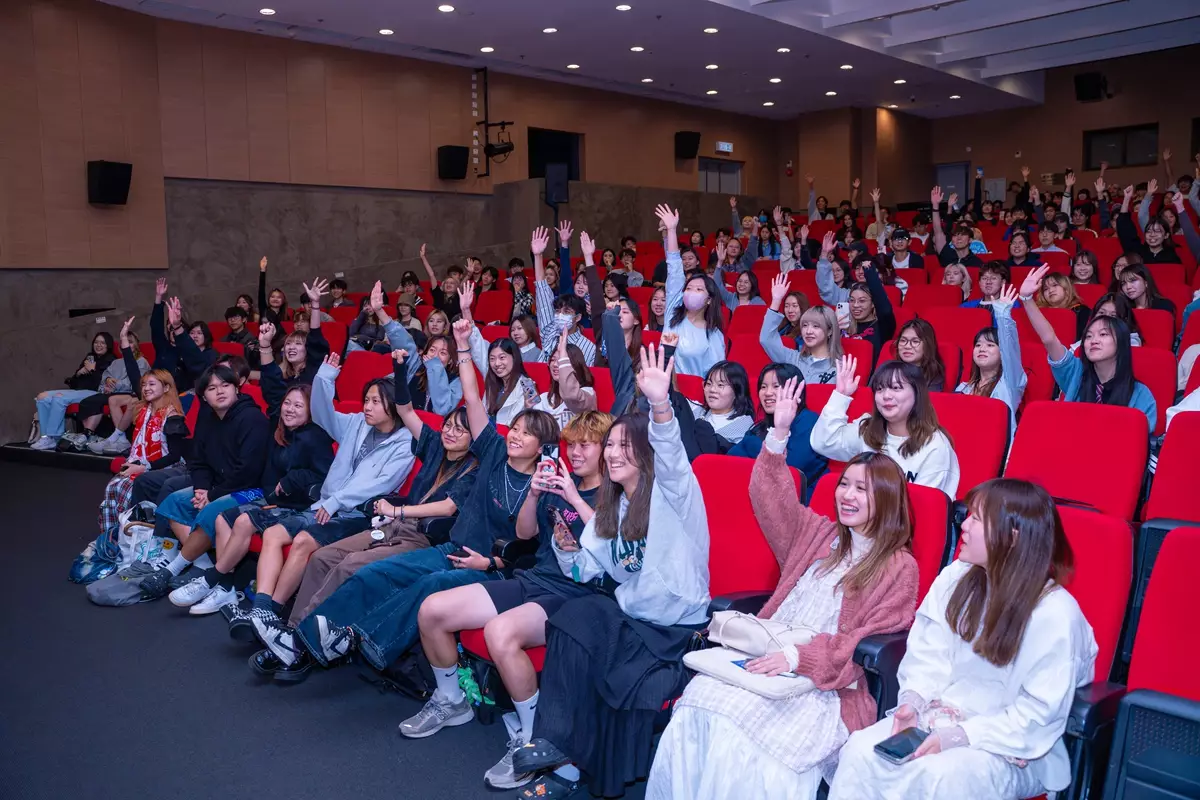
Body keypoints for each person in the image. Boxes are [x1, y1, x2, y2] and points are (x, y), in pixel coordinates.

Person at [259, 319, 559, 678]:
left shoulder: (541, 484)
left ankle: (353, 639)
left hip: (480, 563)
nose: (515, 436)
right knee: (374, 573)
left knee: (421, 586)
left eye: (526, 434)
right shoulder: (494, 451)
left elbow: (526, 540)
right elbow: (472, 398)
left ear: (541, 447)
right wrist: (463, 346)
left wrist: (493, 559)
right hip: (449, 548)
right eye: (515, 429)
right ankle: (300, 640)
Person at [650, 443, 919, 800]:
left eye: (861, 488)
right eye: (844, 484)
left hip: (826, 685)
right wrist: (778, 436)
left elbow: (863, 641)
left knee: (742, 729)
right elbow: (768, 498)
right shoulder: (820, 534)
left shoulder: (899, 567)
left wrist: (797, 658)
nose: (847, 495)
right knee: (700, 700)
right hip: (765, 655)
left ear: (886, 498)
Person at [511, 345, 711, 799]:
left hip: (675, 629)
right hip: (635, 618)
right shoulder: (615, 506)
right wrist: (565, 549)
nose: (614, 453)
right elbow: (589, 569)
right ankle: (557, 750)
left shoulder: (676, 494)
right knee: (572, 617)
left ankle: (566, 766)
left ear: (645, 450)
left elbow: (672, 454)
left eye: (625, 445)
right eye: (612, 445)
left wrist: (659, 403)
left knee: (588, 630)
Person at [829, 479, 1097, 800]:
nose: (964, 525)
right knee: (860, 751)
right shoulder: (957, 577)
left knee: (937, 777)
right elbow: (928, 655)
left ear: (1012, 537)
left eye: (977, 519)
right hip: (941, 715)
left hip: (1013, 745)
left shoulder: (1055, 614)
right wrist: (913, 702)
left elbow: (1037, 714)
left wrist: (959, 736)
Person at [404, 411, 614, 790]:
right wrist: (534, 494)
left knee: (499, 632)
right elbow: (525, 533)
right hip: (537, 578)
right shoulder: (558, 482)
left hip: (578, 595)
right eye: (572, 445)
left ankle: (533, 740)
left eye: (586, 445)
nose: (576, 452)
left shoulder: (614, 497)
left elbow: (610, 549)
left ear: (607, 450)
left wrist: (570, 495)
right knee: (433, 610)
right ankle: (451, 700)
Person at [248, 386, 478, 681]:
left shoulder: (473, 469)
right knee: (322, 557)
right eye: (448, 425)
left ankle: (300, 645)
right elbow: (406, 410)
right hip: (392, 524)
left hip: (422, 536)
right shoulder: (435, 449)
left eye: (460, 430)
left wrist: (399, 511)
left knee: (349, 565)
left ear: (474, 438)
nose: (450, 433)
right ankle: (292, 633)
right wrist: (401, 368)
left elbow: (447, 508)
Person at [168, 381, 335, 615]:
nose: (290, 409)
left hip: (301, 505)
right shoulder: (282, 433)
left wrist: (293, 479)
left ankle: (214, 580)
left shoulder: (316, 436)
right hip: (276, 499)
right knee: (222, 519)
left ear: (311, 410)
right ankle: (225, 588)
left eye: (298, 405)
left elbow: (325, 475)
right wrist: (271, 492)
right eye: (287, 403)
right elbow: (270, 474)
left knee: (244, 521)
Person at [137, 362, 272, 600]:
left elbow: (248, 471)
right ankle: (202, 564)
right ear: (204, 396)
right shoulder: (207, 418)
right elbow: (198, 461)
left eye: (225, 385)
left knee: (212, 511)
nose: (219, 391)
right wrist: (201, 488)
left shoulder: (253, 419)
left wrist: (212, 495)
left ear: (236, 388)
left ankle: (172, 570)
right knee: (174, 502)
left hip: (253, 489)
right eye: (211, 388)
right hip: (217, 486)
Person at [77, 318, 188, 582]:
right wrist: (124, 340)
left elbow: (174, 456)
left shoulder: (172, 416)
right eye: (144, 385)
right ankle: (113, 540)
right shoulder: (145, 409)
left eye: (152, 385)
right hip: (140, 463)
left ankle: (135, 542)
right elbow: (132, 368)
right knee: (113, 489)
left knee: (125, 490)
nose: (146, 388)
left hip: (165, 468)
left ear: (166, 388)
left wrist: (143, 467)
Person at [1019, 265, 1156, 428]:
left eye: (1103, 334)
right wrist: (1026, 299)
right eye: (1089, 336)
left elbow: (1138, 439)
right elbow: (1049, 339)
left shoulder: (1141, 395)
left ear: (1121, 339)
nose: (1093, 340)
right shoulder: (1075, 373)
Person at [812, 356, 960, 498]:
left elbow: (925, 506)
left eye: (896, 388)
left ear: (917, 394)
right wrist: (841, 395)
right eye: (880, 389)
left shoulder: (935, 446)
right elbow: (824, 443)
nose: (886, 395)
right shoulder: (867, 428)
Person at [727, 366, 828, 490]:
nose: (768, 393)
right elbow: (729, 460)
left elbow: (791, 468)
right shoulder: (761, 426)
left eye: (776, 386)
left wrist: (751, 443)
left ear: (795, 390)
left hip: (800, 496)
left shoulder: (810, 420)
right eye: (763, 387)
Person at [660, 205, 727, 376]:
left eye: (698, 289)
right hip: (661, 387)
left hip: (693, 391)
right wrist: (671, 231)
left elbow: (715, 375)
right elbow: (674, 267)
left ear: (709, 299)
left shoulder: (713, 334)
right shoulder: (672, 313)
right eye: (688, 288)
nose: (690, 292)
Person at [955, 285, 1027, 437]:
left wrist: (1003, 317)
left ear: (1001, 353)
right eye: (978, 345)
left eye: (990, 345)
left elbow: (1011, 351)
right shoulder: (963, 388)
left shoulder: (1010, 384)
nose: (982, 349)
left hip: (995, 443)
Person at [532, 224, 598, 366]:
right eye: (557, 311)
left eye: (566, 312)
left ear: (578, 317)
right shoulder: (550, 332)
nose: (560, 315)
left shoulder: (588, 348)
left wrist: (587, 256)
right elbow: (542, 291)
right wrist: (538, 256)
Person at [762, 274, 840, 385]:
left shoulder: (839, 367)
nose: (808, 331)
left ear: (830, 331)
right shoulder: (794, 358)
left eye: (816, 326)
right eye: (805, 325)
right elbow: (766, 340)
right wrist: (776, 300)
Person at [532, 332, 597, 429]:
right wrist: (529, 408)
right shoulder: (544, 398)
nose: (555, 364)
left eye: (561, 360)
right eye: (553, 360)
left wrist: (563, 356)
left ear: (576, 364)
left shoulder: (588, 394)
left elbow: (570, 395)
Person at [692, 360, 755, 452]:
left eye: (720, 385)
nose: (712, 389)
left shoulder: (744, 427)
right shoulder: (695, 412)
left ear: (737, 391)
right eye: (709, 384)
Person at [889, 319, 946, 392]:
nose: (907, 346)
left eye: (915, 341)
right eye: (903, 340)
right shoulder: (888, 369)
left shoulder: (934, 377)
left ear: (927, 345)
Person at [932, 188, 984, 267]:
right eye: (955, 235)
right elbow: (937, 231)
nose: (958, 238)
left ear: (970, 240)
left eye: (963, 234)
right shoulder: (946, 254)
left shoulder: (977, 263)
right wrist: (935, 206)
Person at [1036, 271, 1091, 340]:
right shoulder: (1039, 313)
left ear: (1066, 288)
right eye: (1046, 289)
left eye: (1055, 285)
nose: (1050, 290)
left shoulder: (1082, 311)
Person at [417, 244, 464, 318]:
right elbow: (431, 275)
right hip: (438, 322)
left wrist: (469, 275)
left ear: (456, 287)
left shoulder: (459, 297)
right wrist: (423, 258)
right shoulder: (438, 295)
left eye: (452, 283)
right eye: (446, 283)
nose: (448, 284)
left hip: (455, 323)